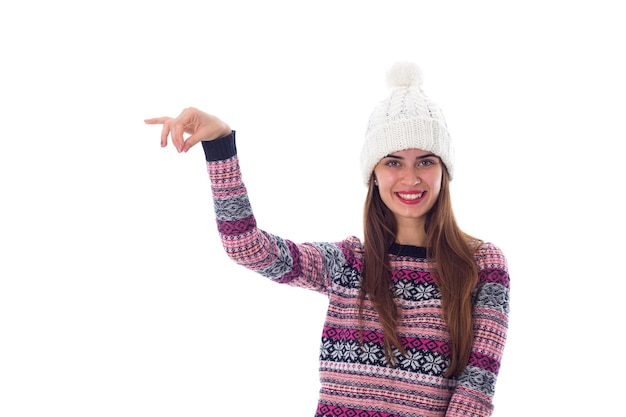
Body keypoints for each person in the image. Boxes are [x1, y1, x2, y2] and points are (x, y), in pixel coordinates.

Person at [145, 61, 510, 417]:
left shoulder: (481, 265)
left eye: (426, 162)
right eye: (394, 162)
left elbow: (475, 395)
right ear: (374, 174)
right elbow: (246, 247)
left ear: (444, 171)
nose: (410, 178)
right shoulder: (349, 263)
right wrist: (221, 144)